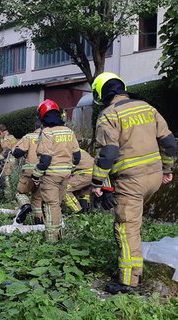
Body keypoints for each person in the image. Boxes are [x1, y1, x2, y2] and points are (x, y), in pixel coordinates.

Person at [90, 72, 176, 294]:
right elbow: (169, 143)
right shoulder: (147, 108)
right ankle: (136, 267)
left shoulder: (108, 115)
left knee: (126, 228)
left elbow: (108, 154)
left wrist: (98, 182)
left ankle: (128, 281)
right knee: (134, 224)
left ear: (101, 93)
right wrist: (167, 169)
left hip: (131, 181)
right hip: (154, 178)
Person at [32, 99, 80, 243]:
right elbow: (77, 156)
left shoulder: (47, 132)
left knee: (51, 205)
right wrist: (69, 168)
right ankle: (59, 234)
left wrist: (36, 174)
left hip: (51, 176)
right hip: (65, 175)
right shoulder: (69, 131)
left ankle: (51, 241)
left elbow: (45, 160)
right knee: (57, 205)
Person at [11, 126, 44, 224]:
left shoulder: (29, 137)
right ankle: (39, 223)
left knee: (20, 193)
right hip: (45, 173)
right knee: (37, 199)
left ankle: (25, 206)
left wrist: (13, 150)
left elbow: (18, 153)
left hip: (30, 172)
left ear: (35, 128)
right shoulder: (50, 137)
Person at [63, 149, 94, 214]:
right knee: (83, 195)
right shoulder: (77, 149)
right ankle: (85, 214)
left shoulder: (63, 151)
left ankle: (78, 212)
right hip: (92, 174)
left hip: (84, 174)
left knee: (64, 189)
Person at [0, 124, 18, 200]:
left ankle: (9, 198)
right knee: (5, 179)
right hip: (7, 161)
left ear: (1, 131)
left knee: (7, 181)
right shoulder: (7, 138)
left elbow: (6, 150)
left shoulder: (8, 138)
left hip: (9, 162)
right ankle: (7, 196)